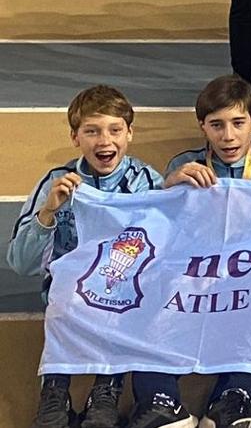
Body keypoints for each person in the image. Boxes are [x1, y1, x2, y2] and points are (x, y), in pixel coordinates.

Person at [11, 86, 166, 428]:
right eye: (92, 131)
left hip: (124, 291)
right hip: (70, 296)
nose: (103, 141)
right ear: (74, 137)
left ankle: (106, 386)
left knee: (129, 294)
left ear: (129, 133)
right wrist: (48, 214)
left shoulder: (148, 183)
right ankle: (55, 386)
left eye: (114, 130)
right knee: (64, 291)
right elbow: (19, 262)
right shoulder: (55, 182)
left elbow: (167, 253)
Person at [162, 75, 251, 425]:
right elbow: (163, 232)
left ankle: (242, 398)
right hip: (203, 278)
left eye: (238, 123)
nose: (228, 136)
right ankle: (161, 401)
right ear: (203, 127)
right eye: (216, 125)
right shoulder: (184, 166)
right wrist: (169, 189)